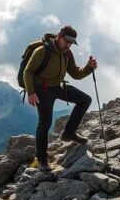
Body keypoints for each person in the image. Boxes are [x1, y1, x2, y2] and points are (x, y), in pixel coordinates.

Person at [23, 24, 97, 168]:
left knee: (85, 99)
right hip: (42, 90)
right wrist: (31, 92)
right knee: (45, 123)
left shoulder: (67, 54)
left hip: (58, 86)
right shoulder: (42, 51)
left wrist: (89, 68)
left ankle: (69, 133)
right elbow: (28, 72)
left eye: (71, 42)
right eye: (66, 41)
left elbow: (75, 73)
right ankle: (42, 160)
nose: (69, 45)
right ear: (59, 36)